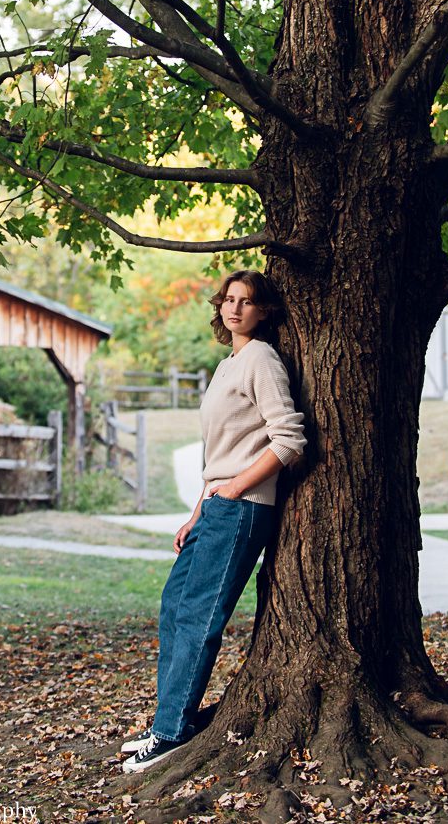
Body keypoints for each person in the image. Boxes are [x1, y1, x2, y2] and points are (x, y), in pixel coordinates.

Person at [121, 269, 306, 773]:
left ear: (263, 311)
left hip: (244, 507)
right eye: (229, 299)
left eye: (247, 301)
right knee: (175, 606)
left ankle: (170, 732)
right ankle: (168, 716)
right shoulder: (229, 364)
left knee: (200, 616)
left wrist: (238, 487)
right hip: (216, 506)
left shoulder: (262, 360)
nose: (235, 308)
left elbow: (289, 440)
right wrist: (198, 510)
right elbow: (218, 451)